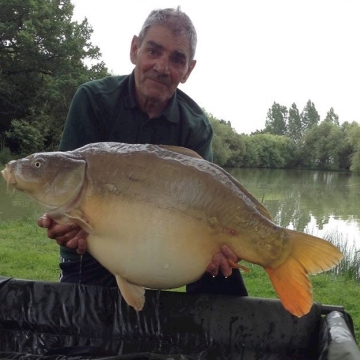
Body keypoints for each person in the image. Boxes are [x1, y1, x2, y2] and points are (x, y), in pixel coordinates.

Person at [38, 7, 248, 296]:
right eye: (154, 51)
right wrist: (64, 223)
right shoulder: (93, 101)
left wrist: (217, 248)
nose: (162, 67)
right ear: (135, 49)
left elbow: (208, 208)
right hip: (95, 248)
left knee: (226, 287)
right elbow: (64, 191)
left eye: (177, 59)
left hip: (165, 247)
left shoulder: (196, 128)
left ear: (189, 70)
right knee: (85, 332)